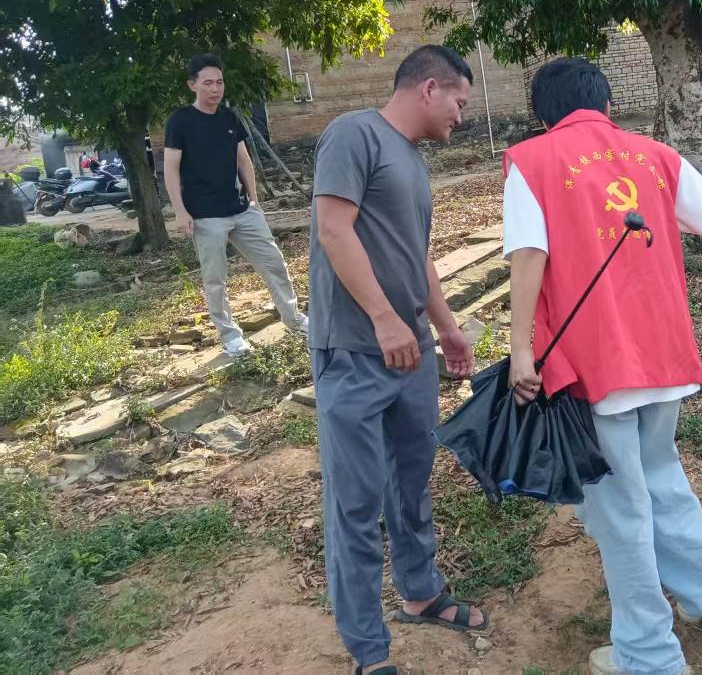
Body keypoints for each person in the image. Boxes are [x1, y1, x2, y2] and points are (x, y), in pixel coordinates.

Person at [504, 58, 702, 675]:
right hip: (663, 352)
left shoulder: (531, 161)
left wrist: (520, 350)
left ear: (542, 114)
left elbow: (529, 255)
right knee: (663, 479)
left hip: (594, 362)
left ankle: (648, 654)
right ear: (607, 104)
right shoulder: (656, 155)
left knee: (620, 509)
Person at [309, 45, 483, 675]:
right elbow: (334, 229)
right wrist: (384, 318)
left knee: (410, 483)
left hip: (410, 355)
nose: (461, 114)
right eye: (459, 101)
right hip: (356, 354)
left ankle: (420, 591)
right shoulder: (353, 134)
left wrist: (447, 328)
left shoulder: (411, 159)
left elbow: (418, 254)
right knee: (355, 504)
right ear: (429, 88)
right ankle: (368, 651)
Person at [164, 53, 307, 357]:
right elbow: (171, 169)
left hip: (242, 210)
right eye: (208, 83)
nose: (215, 88)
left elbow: (243, 158)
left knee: (274, 263)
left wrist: (254, 198)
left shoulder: (229, 117)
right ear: (192, 85)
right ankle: (230, 336)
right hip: (205, 216)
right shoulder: (180, 121)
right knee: (215, 279)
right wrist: (180, 211)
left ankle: (293, 318)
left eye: (219, 82)